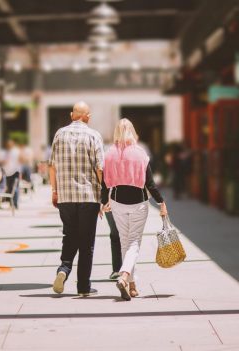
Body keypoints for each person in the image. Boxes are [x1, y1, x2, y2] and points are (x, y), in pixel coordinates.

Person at [101, 118, 167, 301]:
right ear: (133, 132)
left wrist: (102, 201)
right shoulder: (140, 153)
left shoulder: (109, 154)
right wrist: (161, 202)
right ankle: (124, 277)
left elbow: (104, 183)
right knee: (134, 243)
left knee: (124, 242)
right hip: (138, 202)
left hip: (116, 201)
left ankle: (132, 285)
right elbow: (150, 184)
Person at [50, 101, 104, 297]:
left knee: (69, 236)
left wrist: (54, 191)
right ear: (87, 116)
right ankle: (83, 287)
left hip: (65, 196)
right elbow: (100, 168)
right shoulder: (94, 135)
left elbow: (52, 166)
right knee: (86, 243)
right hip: (88, 197)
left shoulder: (59, 134)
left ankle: (63, 270)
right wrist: (104, 194)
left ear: (73, 115)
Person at [103, 141, 122, 280]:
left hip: (111, 201)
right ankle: (125, 270)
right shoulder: (135, 155)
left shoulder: (107, 158)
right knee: (127, 236)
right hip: (130, 201)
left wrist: (104, 202)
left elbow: (103, 182)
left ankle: (117, 269)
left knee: (115, 234)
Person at [2, 140, 21, 209]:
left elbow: (19, 161)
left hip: (15, 171)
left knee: (15, 188)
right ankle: (11, 204)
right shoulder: (6, 152)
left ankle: (15, 204)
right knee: (10, 188)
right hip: (8, 172)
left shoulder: (16, 151)